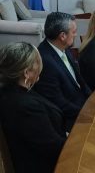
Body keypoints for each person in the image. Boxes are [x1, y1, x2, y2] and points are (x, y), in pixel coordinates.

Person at [0, 42, 66, 173]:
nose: (41, 66)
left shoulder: (9, 91)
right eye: (37, 62)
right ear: (26, 73)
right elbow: (53, 147)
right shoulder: (26, 107)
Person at [35, 12, 91, 131]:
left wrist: (93, 99)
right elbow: (58, 103)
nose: (76, 35)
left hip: (83, 105)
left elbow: (79, 80)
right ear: (62, 36)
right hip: (71, 120)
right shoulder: (45, 61)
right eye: (74, 31)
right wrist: (87, 113)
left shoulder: (63, 47)